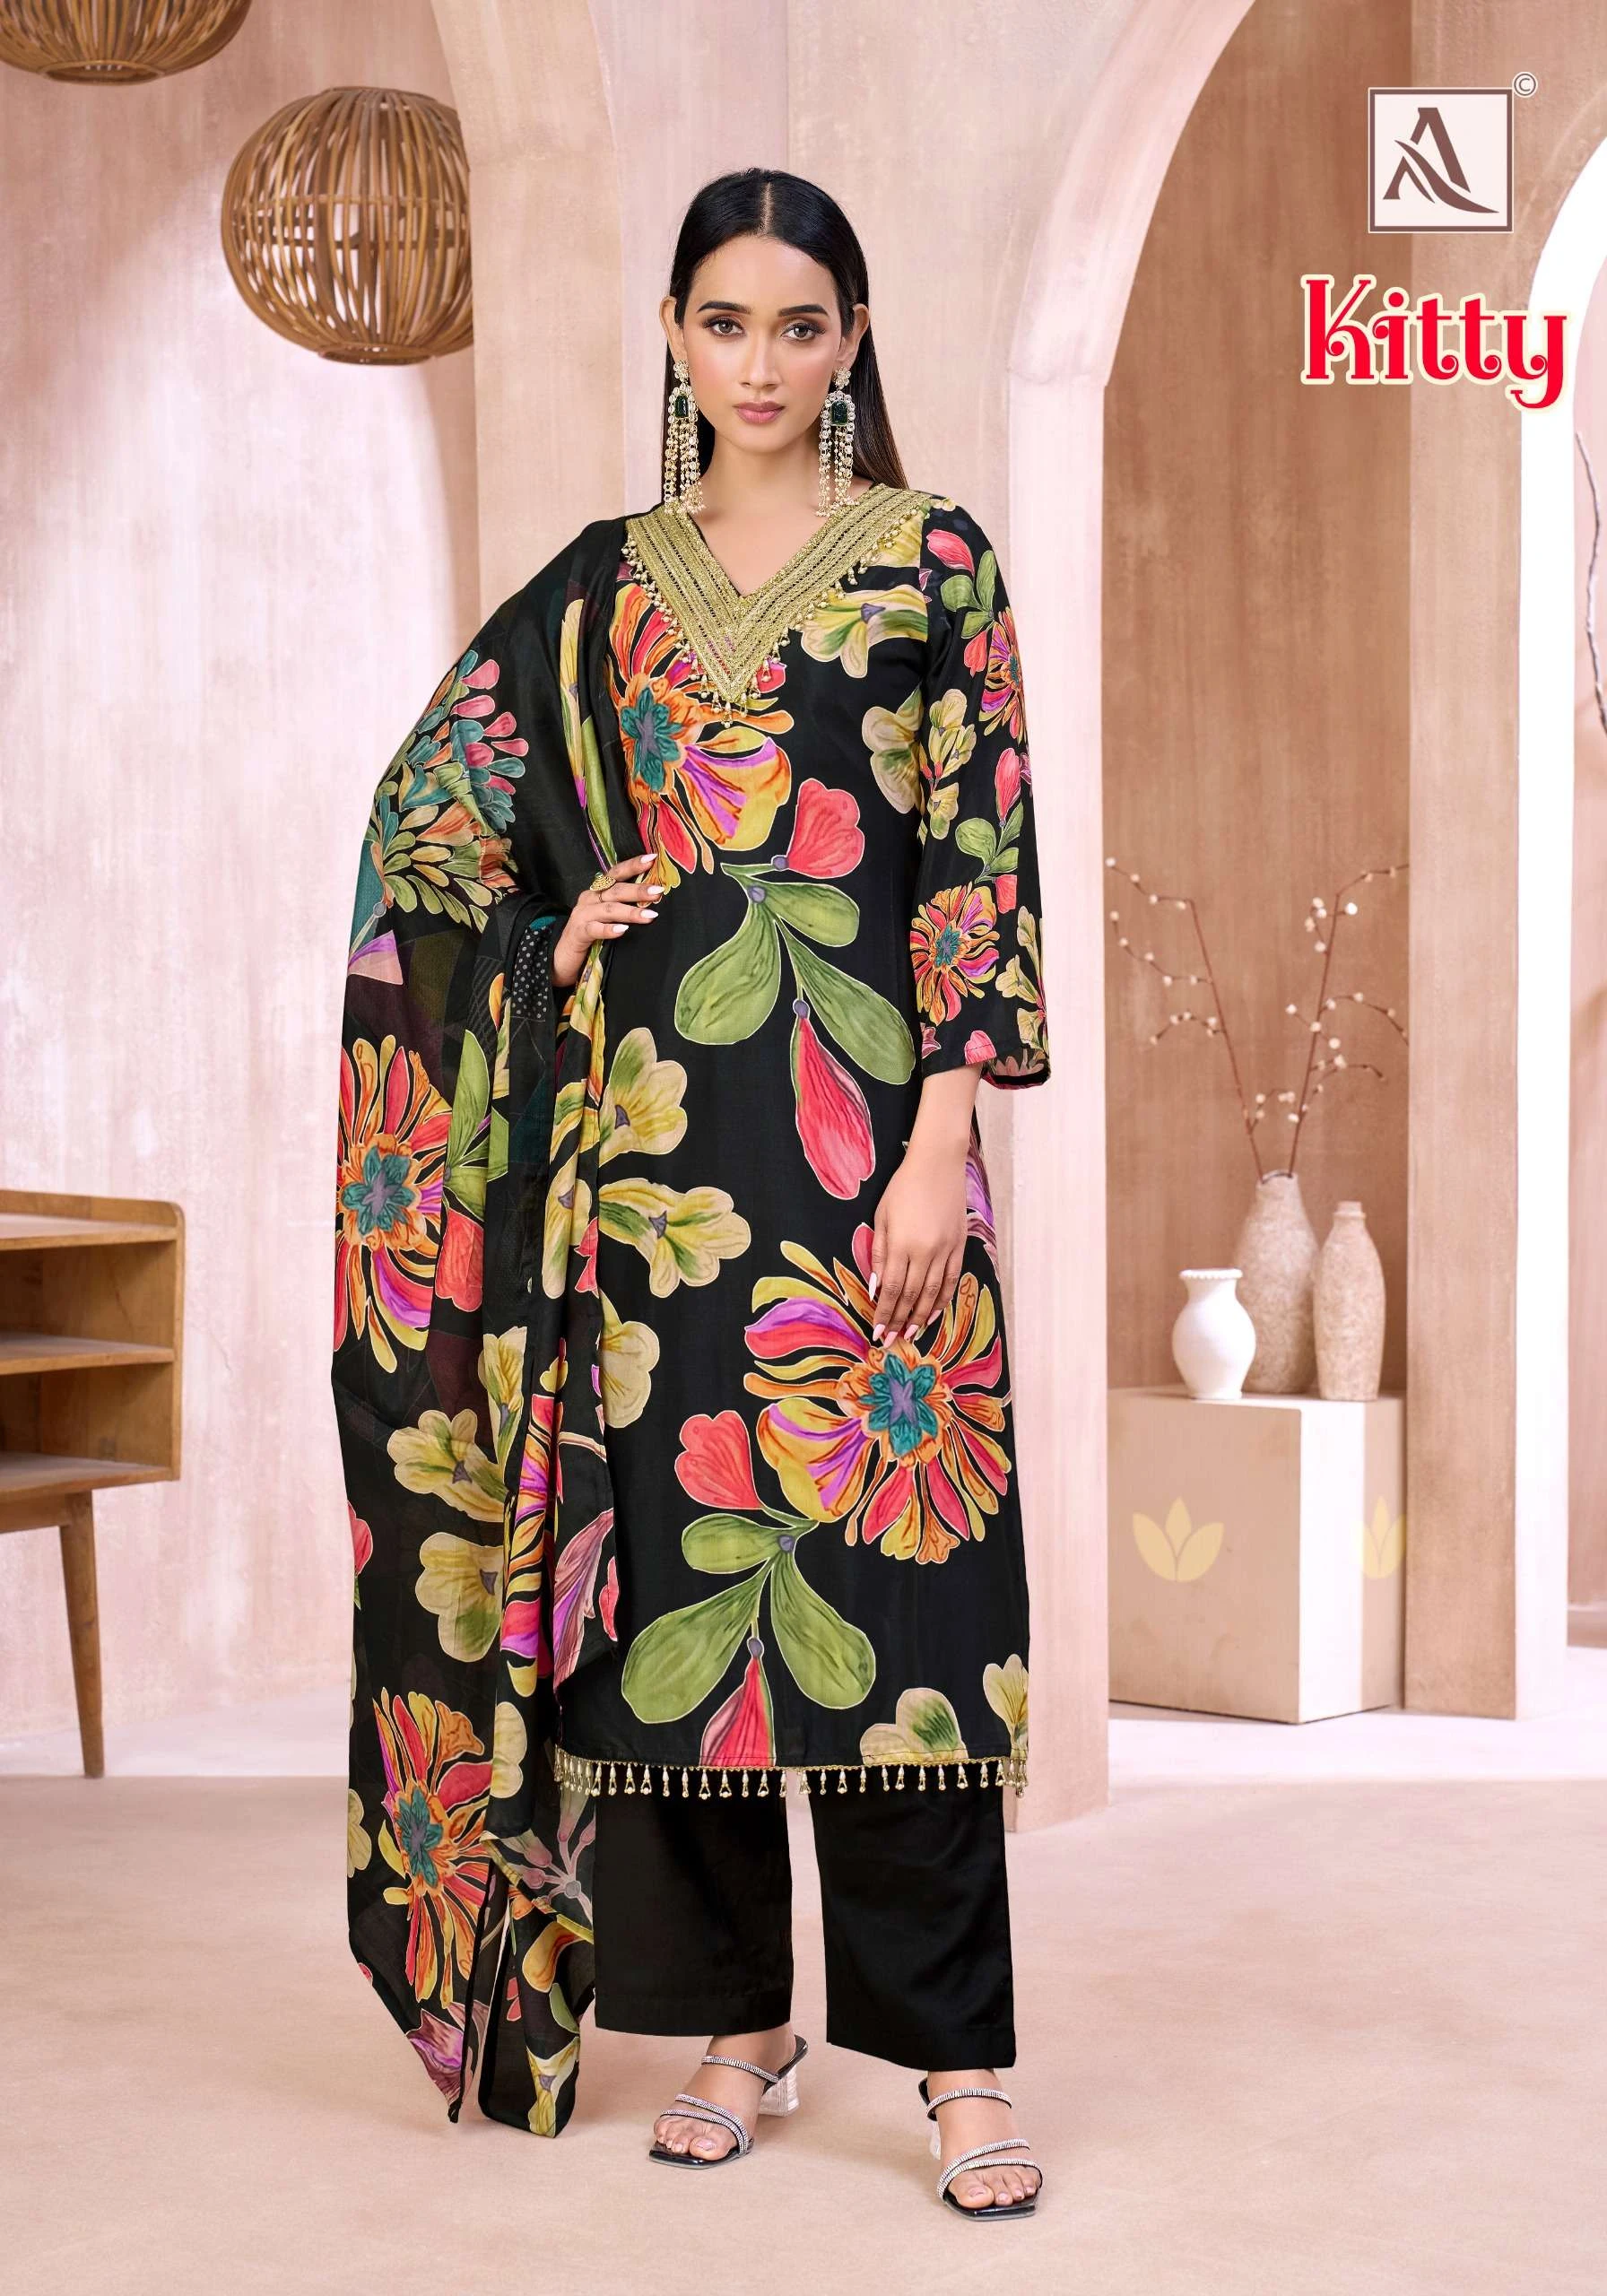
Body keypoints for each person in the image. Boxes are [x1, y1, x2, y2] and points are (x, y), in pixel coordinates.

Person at [334, 167, 1050, 2220]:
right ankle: (741, 2022)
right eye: (723, 322)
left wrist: (941, 1136)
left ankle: (960, 2064)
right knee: (672, 1603)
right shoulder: (598, 588)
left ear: (849, 342)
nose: (759, 362)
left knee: (905, 1607)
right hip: (645, 1169)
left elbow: (976, 848)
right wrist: (547, 935)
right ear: (671, 332)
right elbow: (432, 826)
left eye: (797, 326)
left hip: (864, 1156)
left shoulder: (928, 560)